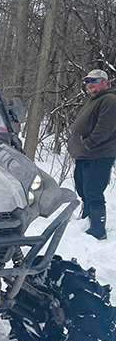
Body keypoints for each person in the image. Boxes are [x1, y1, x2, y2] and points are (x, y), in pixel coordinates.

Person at [68, 69, 116, 240]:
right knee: (83, 189)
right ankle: (86, 220)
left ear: (104, 82)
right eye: (87, 81)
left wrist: (88, 144)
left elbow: (105, 128)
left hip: (98, 154)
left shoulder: (109, 99)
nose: (89, 84)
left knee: (93, 191)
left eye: (94, 81)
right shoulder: (94, 100)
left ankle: (97, 229)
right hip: (84, 155)